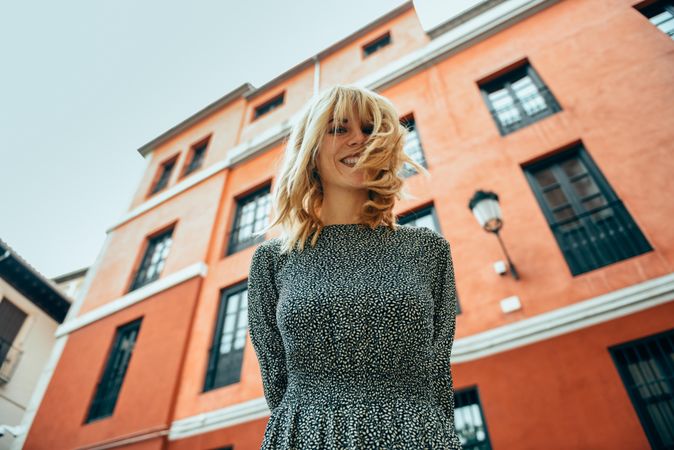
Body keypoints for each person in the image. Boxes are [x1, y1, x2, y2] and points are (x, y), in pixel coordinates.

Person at [247, 84, 463, 449]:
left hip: (418, 435)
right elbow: (276, 380)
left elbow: (437, 373)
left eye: (370, 130)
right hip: (306, 437)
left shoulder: (428, 250)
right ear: (311, 149)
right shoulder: (271, 261)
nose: (359, 140)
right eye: (339, 129)